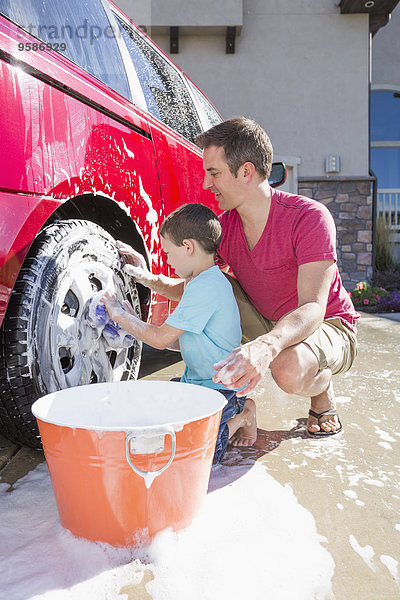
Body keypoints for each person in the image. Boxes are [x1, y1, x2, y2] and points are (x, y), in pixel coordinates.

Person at [119, 117, 359, 439]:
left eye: (213, 173)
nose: (206, 184)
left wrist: (266, 346)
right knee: (214, 281)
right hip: (268, 319)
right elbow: (199, 289)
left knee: (287, 368)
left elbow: (313, 308)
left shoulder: (309, 218)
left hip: (327, 323)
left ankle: (322, 387)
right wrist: (146, 277)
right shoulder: (225, 227)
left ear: (246, 172)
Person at [100, 203, 257, 465]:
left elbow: (161, 339)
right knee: (159, 418)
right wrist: (141, 279)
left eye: (169, 252)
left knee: (203, 454)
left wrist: (121, 316)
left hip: (221, 392)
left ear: (188, 247)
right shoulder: (200, 280)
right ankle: (232, 413)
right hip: (196, 384)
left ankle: (243, 415)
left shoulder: (205, 288)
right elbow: (176, 336)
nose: (168, 259)